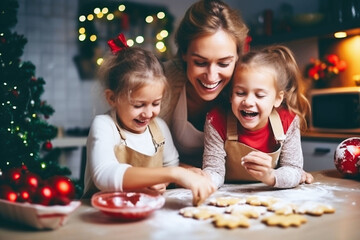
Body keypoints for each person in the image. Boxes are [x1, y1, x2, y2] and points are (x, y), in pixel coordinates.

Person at [83, 33, 215, 205]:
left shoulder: (158, 128)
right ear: (112, 98)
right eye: (138, 105)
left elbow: (170, 166)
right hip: (100, 216)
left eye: (155, 103)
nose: (148, 113)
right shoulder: (104, 125)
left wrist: (186, 172)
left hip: (143, 212)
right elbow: (104, 175)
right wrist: (174, 174)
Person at [202, 45, 314, 189]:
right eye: (240, 93)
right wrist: (205, 182)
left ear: (278, 99)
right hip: (228, 196)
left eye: (260, 95)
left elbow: (294, 170)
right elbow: (213, 170)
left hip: (271, 196)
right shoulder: (216, 120)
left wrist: (269, 175)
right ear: (231, 95)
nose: (248, 102)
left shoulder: (288, 121)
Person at [159, 0, 249, 169]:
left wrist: (287, 168)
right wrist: (183, 171)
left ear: (237, 56)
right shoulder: (163, 80)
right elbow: (137, 150)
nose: (211, 77)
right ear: (184, 53)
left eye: (223, 64)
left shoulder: (247, 82)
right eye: (200, 62)